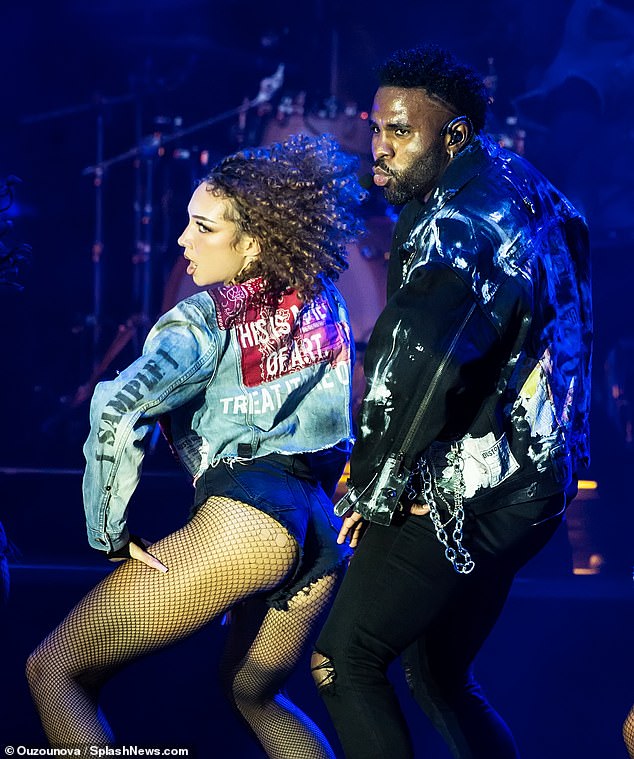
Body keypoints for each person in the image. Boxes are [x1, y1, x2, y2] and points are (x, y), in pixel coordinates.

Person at [26, 134, 365, 757]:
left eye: (203, 228)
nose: (182, 242)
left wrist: (109, 529)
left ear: (254, 243)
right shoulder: (324, 300)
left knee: (54, 671)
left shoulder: (200, 319)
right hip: (319, 530)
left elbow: (117, 404)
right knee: (254, 696)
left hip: (247, 524)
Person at [312, 44, 592, 759]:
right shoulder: (534, 189)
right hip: (538, 485)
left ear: (455, 134)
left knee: (344, 658)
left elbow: (421, 362)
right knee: (438, 671)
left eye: (400, 133)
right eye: (376, 129)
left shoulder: (457, 220)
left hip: (476, 489)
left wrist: (371, 488)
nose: (380, 150)